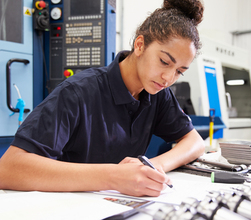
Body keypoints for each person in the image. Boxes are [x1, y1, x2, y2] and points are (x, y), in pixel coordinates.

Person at [0, 0, 205, 197]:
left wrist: (153, 166)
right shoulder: (77, 92)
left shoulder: (158, 94)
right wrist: (114, 177)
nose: (169, 78)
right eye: (164, 62)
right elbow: (8, 168)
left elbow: (194, 142)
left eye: (179, 71)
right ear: (140, 45)